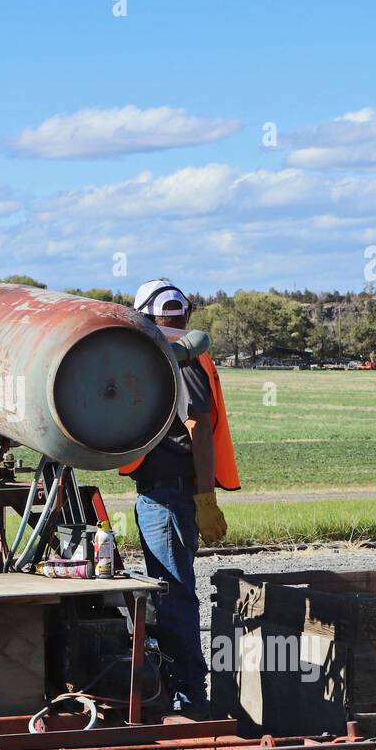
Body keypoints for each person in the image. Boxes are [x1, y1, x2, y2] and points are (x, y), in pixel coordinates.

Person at [123, 279, 239, 716]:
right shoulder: (174, 351)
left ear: (147, 318)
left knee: (174, 597)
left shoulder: (182, 358)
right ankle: (182, 690)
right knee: (171, 593)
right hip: (165, 494)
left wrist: (205, 500)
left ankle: (190, 698)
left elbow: (197, 430)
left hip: (170, 496)